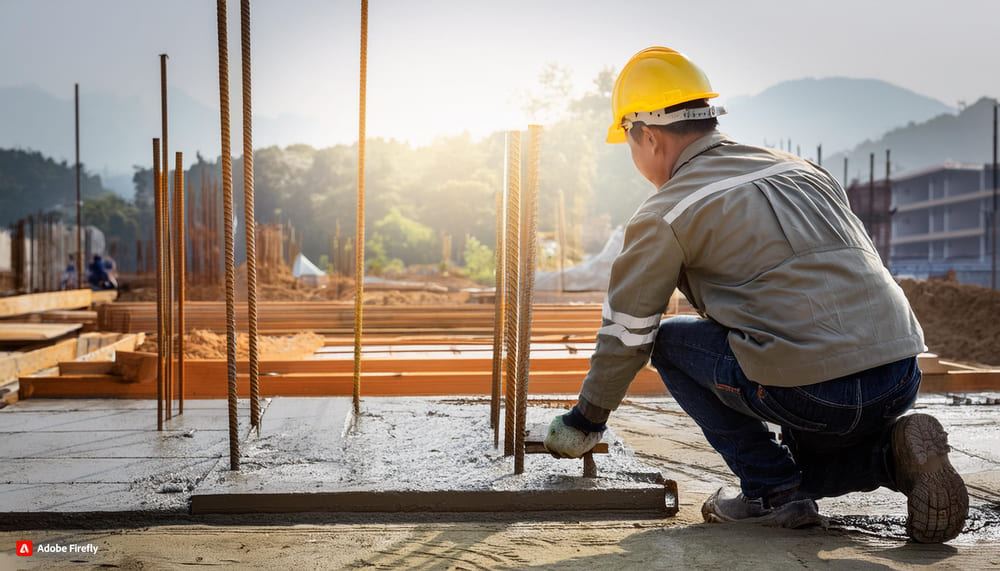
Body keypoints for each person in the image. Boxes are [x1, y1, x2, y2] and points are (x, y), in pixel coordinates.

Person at [543, 46, 968, 543]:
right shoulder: (804, 171)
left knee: (668, 344)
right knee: (808, 462)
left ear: (650, 137)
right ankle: (896, 457)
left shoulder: (665, 212)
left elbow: (628, 332)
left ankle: (770, 491)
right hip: (898, 372)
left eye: (630, 145)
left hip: (811, 389)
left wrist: (585, 419)